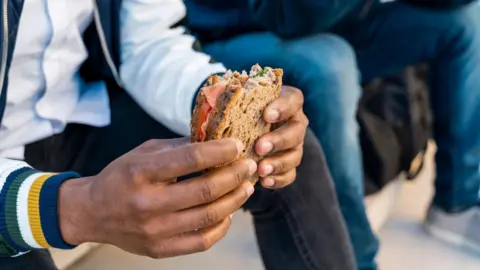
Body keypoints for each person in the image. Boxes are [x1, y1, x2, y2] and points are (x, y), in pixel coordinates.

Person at [0, 0, 356, 269]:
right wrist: (69, 209)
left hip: (75, 113)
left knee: (273, 149)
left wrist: (219, 102)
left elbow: (146, 40)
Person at [185, 0, 480, 269]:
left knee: (463, 20)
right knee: (331, 65)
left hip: (332, 18)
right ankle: (356, 258)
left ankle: (456, 201)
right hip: (232, 31)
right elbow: (287, 17)